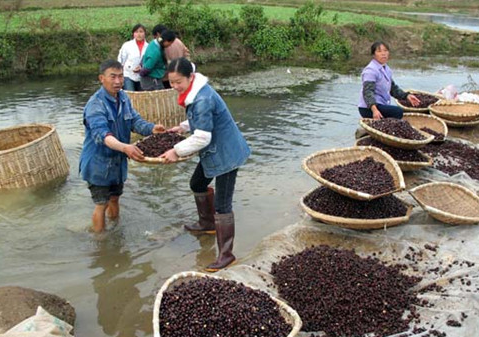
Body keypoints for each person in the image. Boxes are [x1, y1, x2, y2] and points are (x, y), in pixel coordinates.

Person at [160, 57, 251, 272]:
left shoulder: (202, 98)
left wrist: (175, 150)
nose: (174, 86)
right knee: (197, 184)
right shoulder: (195, 92)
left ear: (190, 77)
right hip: (214, 150)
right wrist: (182, 128)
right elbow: (200, 120)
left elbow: (202, 138)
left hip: (227, 153)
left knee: (222, 204)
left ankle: (226, 255)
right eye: (171, 82)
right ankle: (207, 224)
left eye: (178, 82)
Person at [79, 59, 165, 233]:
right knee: (101, 205)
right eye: (113, 77)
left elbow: (135, 121)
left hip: (117, 163)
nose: (118, 81)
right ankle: (101, 243)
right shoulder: (95, 105)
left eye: (121, 77)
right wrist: (126, 147)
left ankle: (116, 231)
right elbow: (102, 135)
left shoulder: (124, 97)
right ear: (101, 78)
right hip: (98, 164)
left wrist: (152, 128)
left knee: (115, 198)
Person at [358, 41, 421, 120]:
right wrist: (374, 110)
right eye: (379, 51)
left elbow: (393, 88)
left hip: (381, 105)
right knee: (398, 112)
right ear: (373, 55)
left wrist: (407, 96)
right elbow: (367, 92)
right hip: (369, 108)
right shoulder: (371, 70)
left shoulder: (386, 69)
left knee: (398, 113)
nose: (383, 54)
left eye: (385, 51)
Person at [139, 26, 176, 91]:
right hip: (151, 81)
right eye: (170, 43)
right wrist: (141, 74)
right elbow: (147, 67)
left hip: (154, 78)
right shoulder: (155, 52)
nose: (170, 45)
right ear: (166, 41)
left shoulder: (155, 42)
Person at [154, 25, 191, 89]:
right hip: (181, 75)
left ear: (158, 34)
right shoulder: (178, 41)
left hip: (167, 77)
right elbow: (187, 54)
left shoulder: (162, 45)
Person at [117, 24, 148, 91]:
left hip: (142, 76)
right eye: (136, 32)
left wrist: (141, 67)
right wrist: (120, 75)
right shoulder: (127, 45)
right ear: (133, 34)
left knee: (142, 96)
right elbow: (121, 60)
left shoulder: (148, 47)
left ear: (145, 33)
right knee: (130, 95)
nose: (138, 34)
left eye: (141, 32)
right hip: (128, 75)